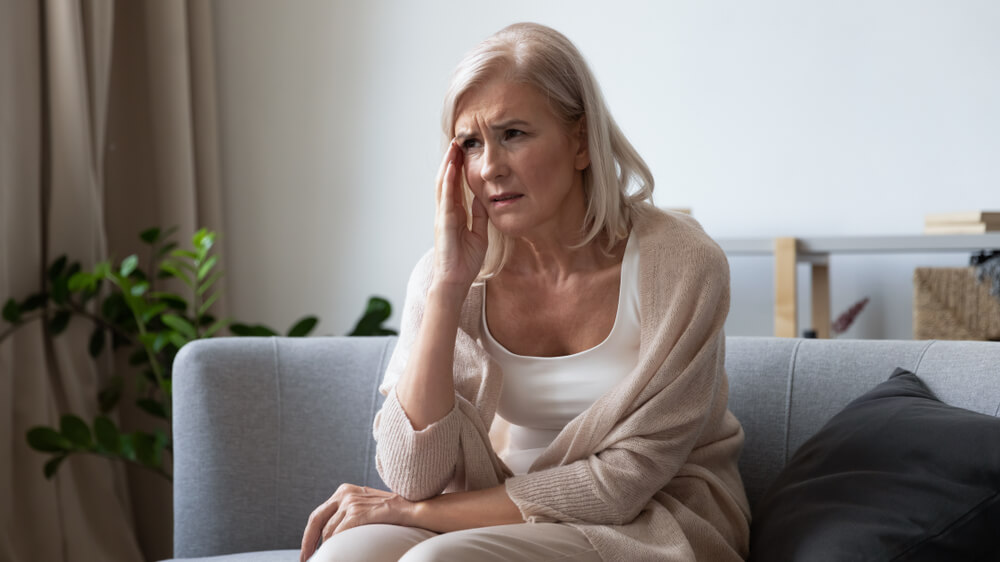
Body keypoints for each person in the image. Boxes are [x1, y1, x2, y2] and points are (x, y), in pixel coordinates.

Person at [300, 22, 750, 562]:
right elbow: (412, 475)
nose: (490, 167)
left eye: (513, 133)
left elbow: (622, 484)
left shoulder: (682, 266)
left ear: (581, 141)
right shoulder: (449, 273)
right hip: (487, 511)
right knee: (346, 555)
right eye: (470, 144)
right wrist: (446, 288)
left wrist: (416, 515)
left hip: (649, 521)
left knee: (435, 560)